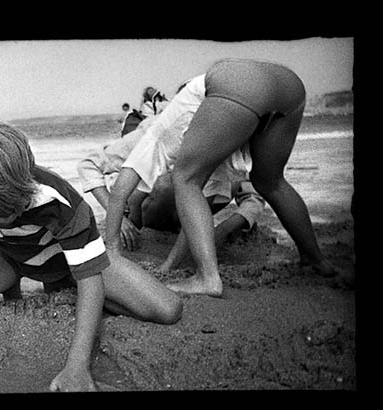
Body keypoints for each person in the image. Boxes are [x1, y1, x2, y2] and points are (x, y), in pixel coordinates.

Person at [0, 121, 181, 392]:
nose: (11, 216)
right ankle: (25, 288)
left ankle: (72, 289)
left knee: (167, 310)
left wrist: (77, 367)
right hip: (8, 258)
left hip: (68, 263)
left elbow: (91, 279)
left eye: (16, 205)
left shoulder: (61, 201)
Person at [105, 59, 338, 297]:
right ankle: (315, 260)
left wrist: (111, 251)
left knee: (184, 178)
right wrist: (170, 265)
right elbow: (196, 215)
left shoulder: (158, 133)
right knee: (269, 182)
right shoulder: (209, 141)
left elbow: (121, 190)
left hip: (235, 82)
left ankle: (208, 279)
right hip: (289, 86)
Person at [77, 105, 266, 271]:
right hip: (146, 215)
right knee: (168, 183)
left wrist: (225, 229)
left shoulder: (222, 137)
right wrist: (115, 213)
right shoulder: (155, 132)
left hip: (191, 220)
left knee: (222, 184)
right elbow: (89, 165)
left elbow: (253, 195)